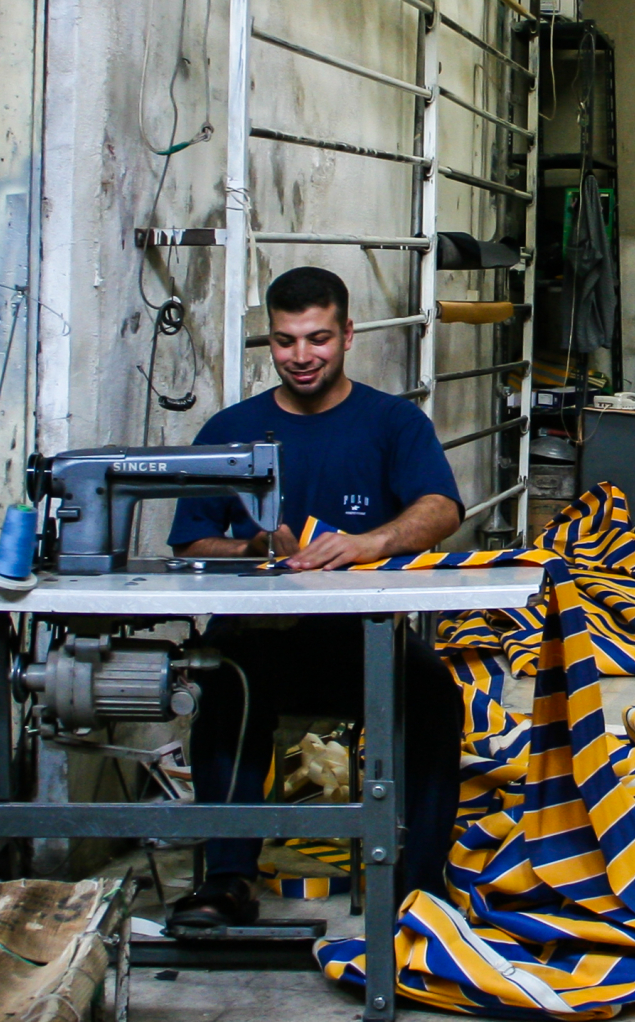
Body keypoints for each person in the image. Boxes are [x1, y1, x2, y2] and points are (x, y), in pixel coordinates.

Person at [165, 265, 463, 929]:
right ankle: (228, 879)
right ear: (269, 341)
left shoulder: (392, 422)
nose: (301, 356)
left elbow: (441, 508)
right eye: (285, 340)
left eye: (318, 338)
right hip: (259, 639)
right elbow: (190, 543)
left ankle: (420, 885)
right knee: (224, 685)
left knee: (434, 691)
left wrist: (368, 542)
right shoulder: (229, 430)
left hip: (362, 637)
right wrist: (251, 549)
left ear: (349, 334)